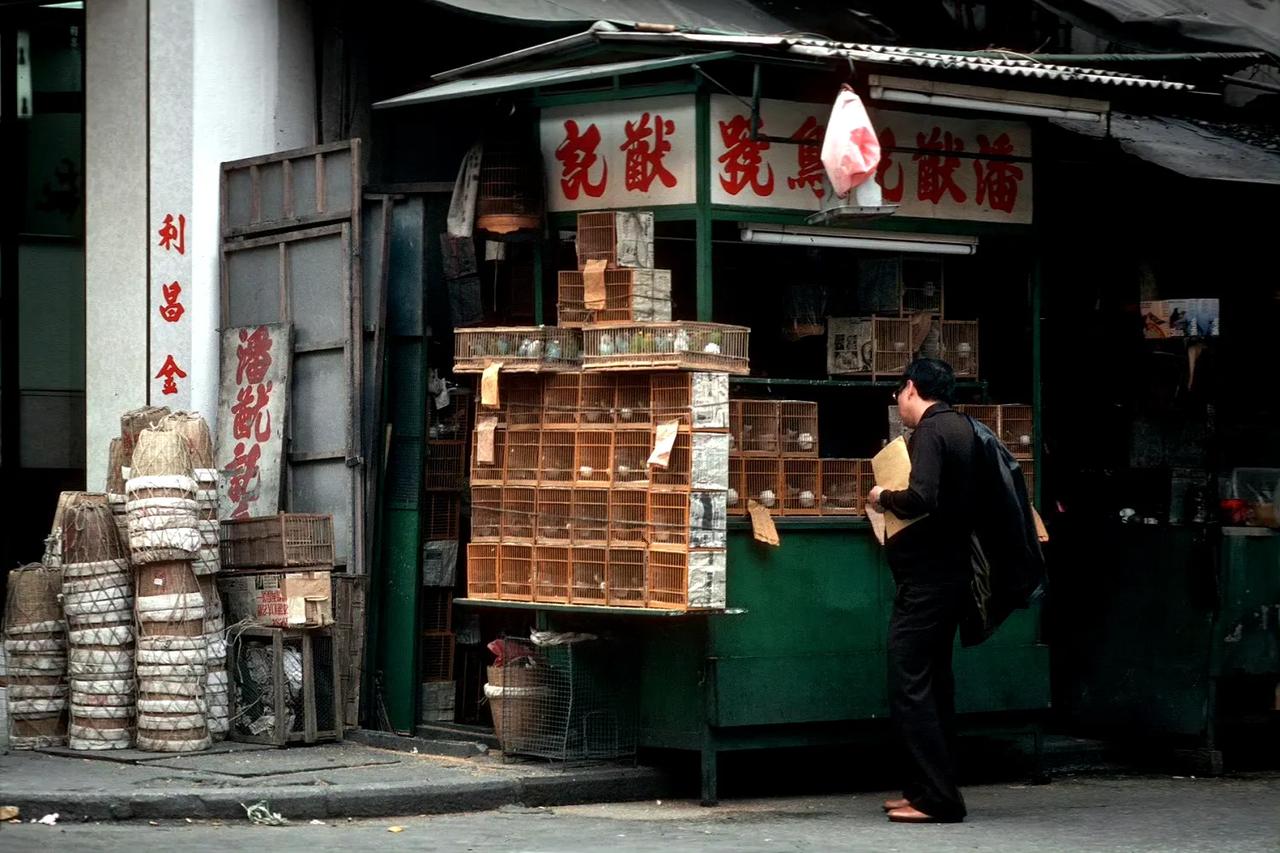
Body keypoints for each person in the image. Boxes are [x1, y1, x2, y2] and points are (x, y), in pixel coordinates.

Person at [868, 358, 976, 824]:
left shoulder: (930, 433)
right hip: (952, 574)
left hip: (928, 580)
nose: (899, 403)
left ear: (910, 389)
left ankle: (937, 798)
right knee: (934, 683)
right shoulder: (965, 429)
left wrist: (881, 498)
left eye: (899, 394)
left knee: (909, 681)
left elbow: (922, 497)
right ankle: (928, 788)